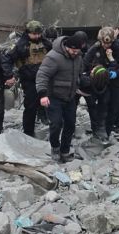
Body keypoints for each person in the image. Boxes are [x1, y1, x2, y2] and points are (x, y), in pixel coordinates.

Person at [36, 32, 87, 162]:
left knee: (70, 124)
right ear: (67, 47)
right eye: (73, 50)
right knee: (56, 124)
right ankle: (55, 147)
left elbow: (79, 74)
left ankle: (65, 151)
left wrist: (82, 83)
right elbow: (42, 75)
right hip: (53, 96)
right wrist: (42, 94)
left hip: (70, 97)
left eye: (78, 51)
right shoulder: (53, 57)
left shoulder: (78, 57)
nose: (75, 53)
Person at [82, 27, 119, 141]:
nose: (106, 46)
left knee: (113, 107)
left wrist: (117, 73)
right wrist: (86, 75)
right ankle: (97, 130)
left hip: (116, 81)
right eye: (104, 43)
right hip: (100, 81)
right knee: (99, 105)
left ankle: (107, 131)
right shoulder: (95, 48)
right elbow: (85, 62)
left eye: (109, 43)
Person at [2, 21, 52, 137]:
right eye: (34, 34)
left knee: (48, 102)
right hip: (29, 80)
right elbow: (7, 60)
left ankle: (44, 117)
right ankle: (28, 132)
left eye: (39, 34)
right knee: (30, 106)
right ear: (28, 33)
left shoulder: (46, 43)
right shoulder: (21, 45)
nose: (37, 36)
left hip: (45, 78)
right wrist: (8, 75)